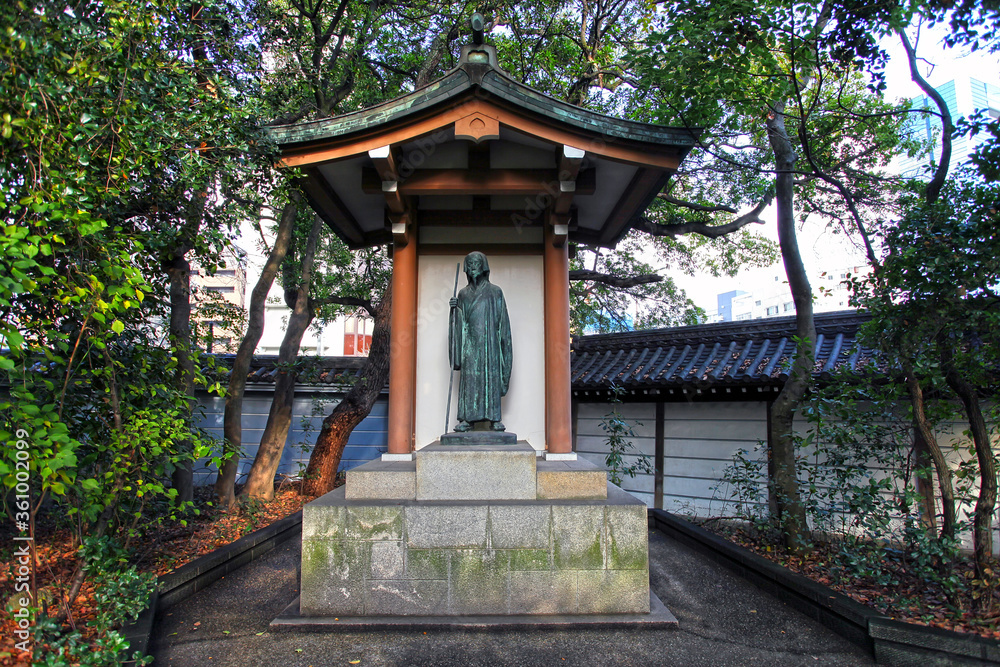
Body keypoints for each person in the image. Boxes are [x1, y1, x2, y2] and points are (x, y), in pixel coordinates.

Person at [448, 252, 512, 432]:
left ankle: (494, 418)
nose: (473, 266)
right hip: (470, 346)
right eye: (470, 264)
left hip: (490, 344)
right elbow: (460, 324)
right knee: (470, 379)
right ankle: (467, 419)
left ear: (484, 266)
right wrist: (454, 312)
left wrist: (502, 344)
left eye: (476, 263)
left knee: (490, 377)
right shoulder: (463, 294)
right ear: (466, 268)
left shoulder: (495, 292)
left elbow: (503, 323)